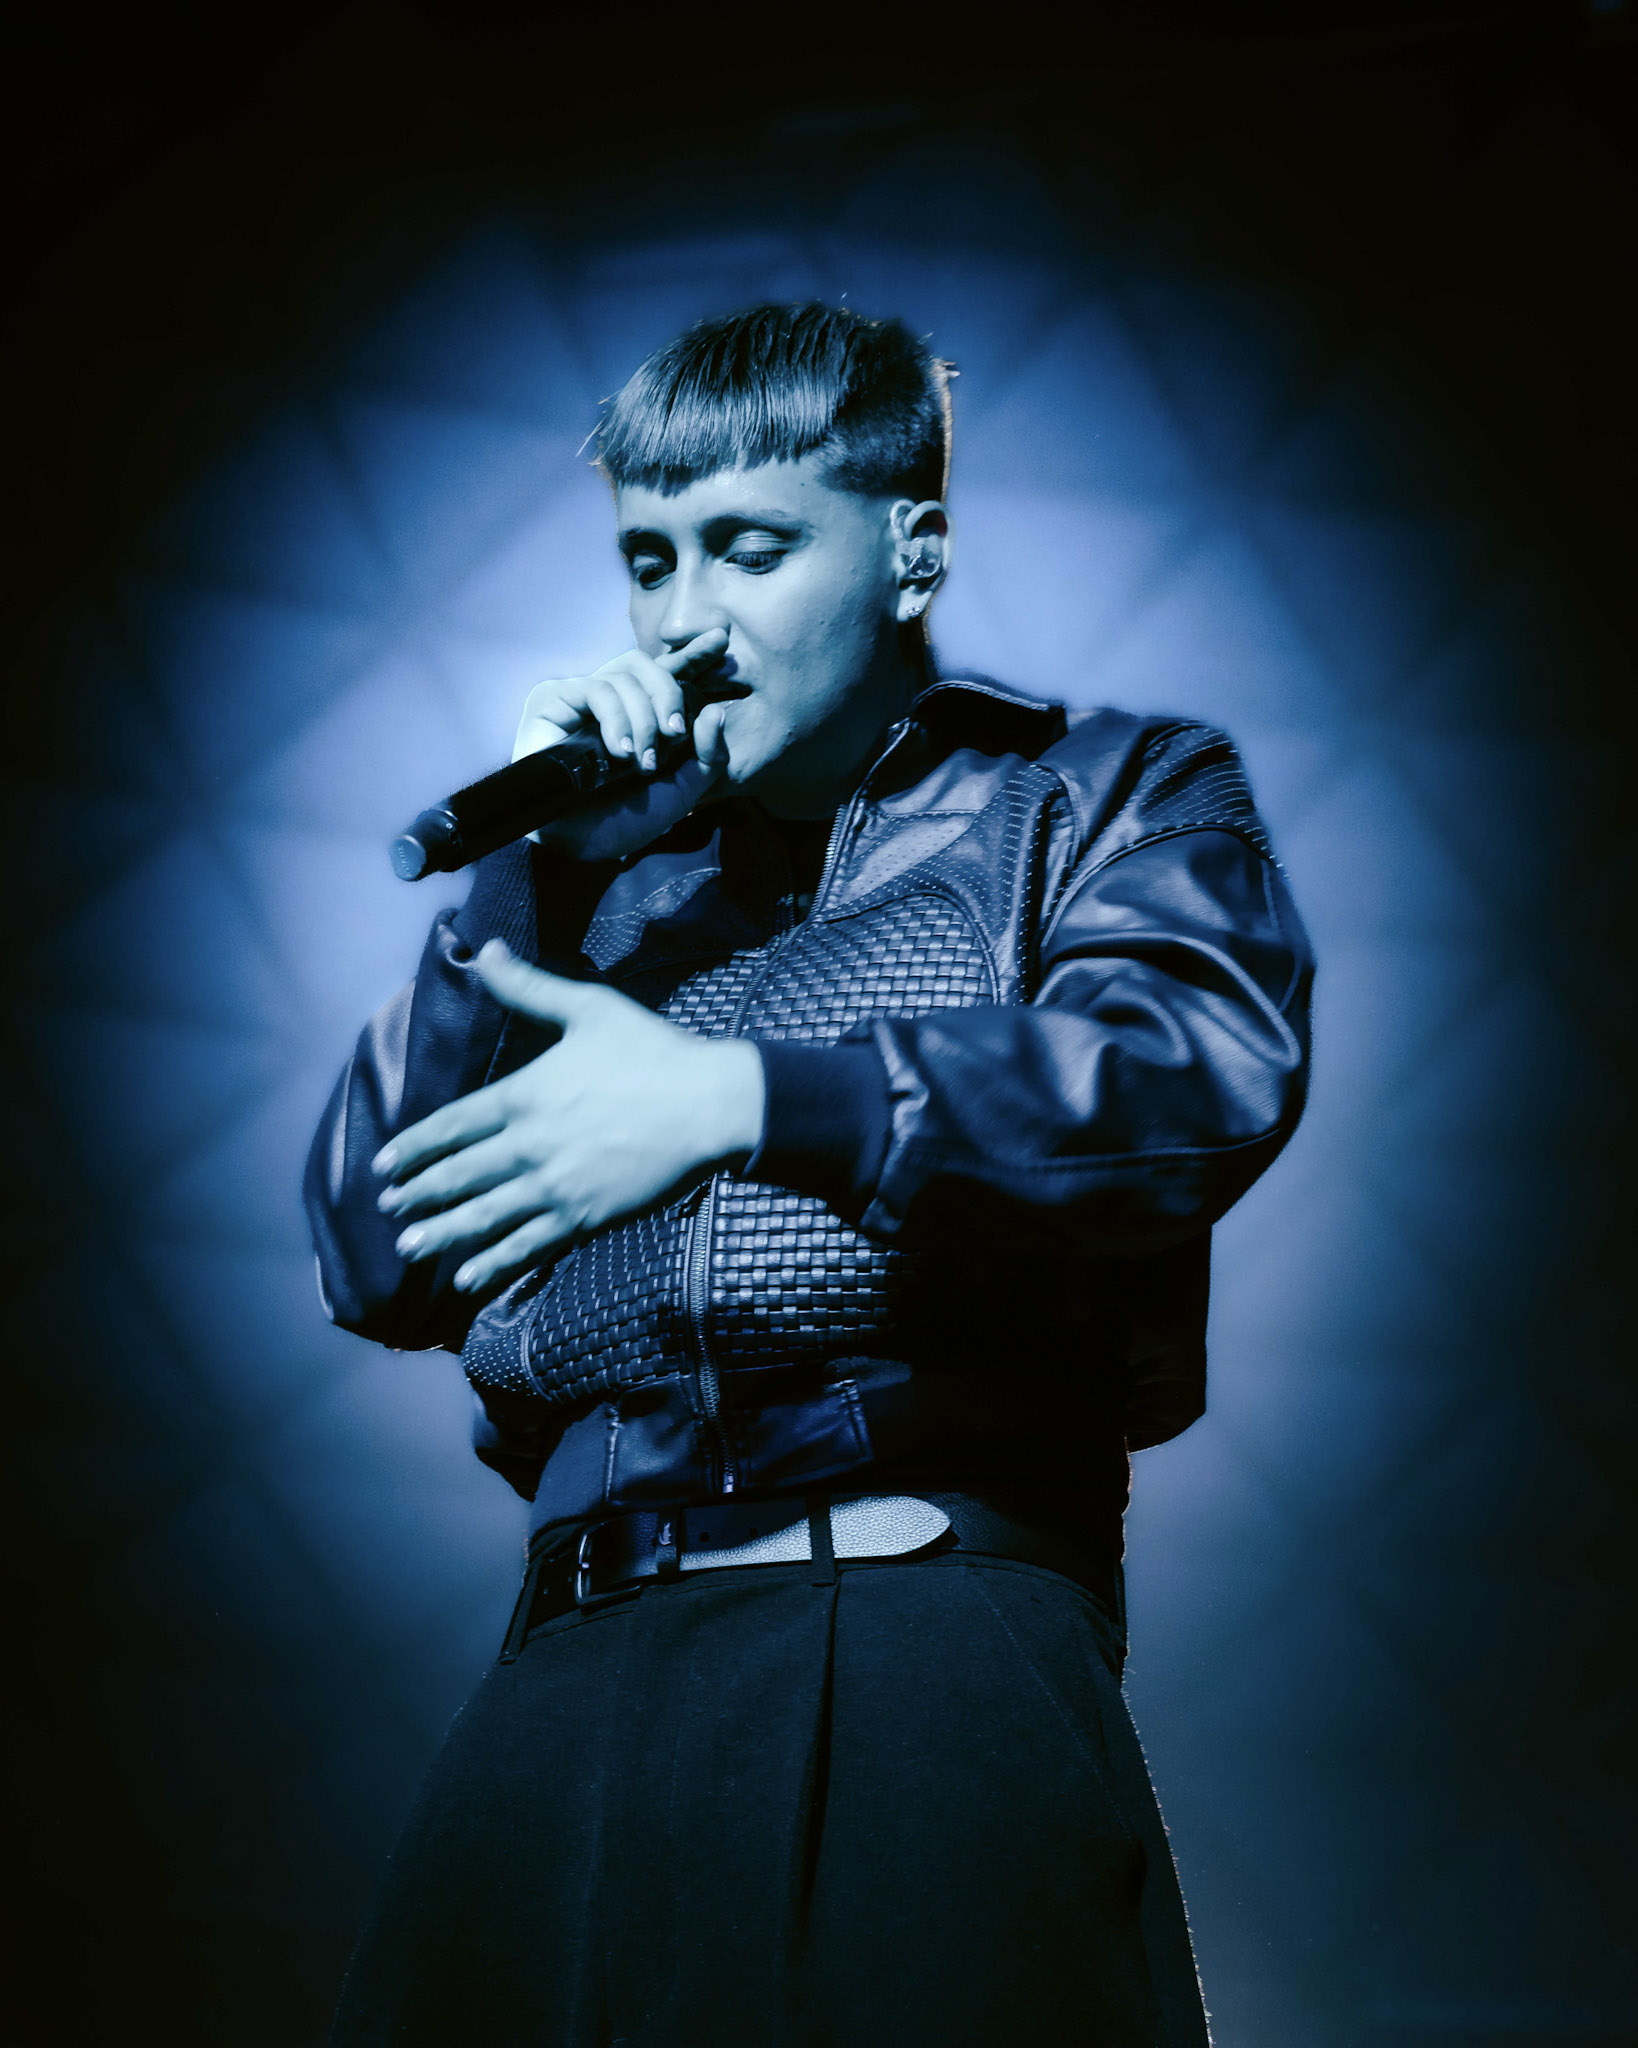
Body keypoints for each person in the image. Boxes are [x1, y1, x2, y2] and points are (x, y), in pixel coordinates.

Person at [305, 301, 1312, 2047]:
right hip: (571, 1666)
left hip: (920, 1632)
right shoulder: (599, 889)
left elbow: (1189, 1082)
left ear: (911, 549)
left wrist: (747, 1099)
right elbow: (371, 1256)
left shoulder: (1106, 791)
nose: (684, 617)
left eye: (749, 548)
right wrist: (532, 879)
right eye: (649, 560)